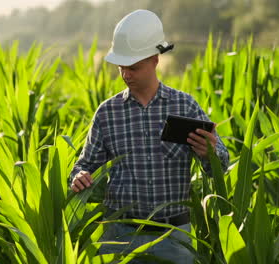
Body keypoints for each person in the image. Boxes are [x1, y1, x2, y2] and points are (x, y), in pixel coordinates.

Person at [69, 9, 229, 264]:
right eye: (121, 67)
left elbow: (220, 167)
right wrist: (78, 177)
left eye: (133, 67)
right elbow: (84, 166)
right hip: (119, 238)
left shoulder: (184, 106)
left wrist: (209, 152)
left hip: (174, 239)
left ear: (155, 59)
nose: (125, 75)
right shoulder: (107, 113)